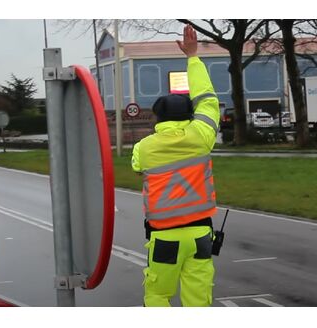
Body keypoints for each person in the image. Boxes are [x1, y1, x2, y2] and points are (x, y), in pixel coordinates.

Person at [131, 24, 220, 307]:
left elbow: (136, 167)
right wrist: (193, 57)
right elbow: (207, 98)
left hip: (165, 237)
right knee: (198, 300)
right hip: (201, 235)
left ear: (157, 118)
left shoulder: (144, 148)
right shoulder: (202, 135)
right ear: (190, 114)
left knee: (158, 295)